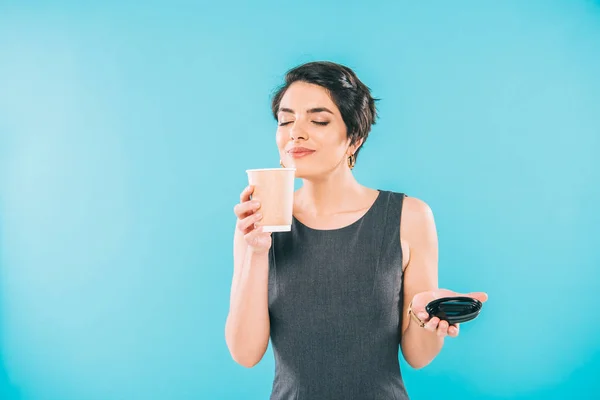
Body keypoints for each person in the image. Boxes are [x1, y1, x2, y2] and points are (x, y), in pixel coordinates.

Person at [225, 61, 488, 399]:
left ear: (354, 139)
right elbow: (245, 354)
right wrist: (256, 252)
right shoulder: (257, 222)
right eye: (286, 120)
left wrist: (424, 316)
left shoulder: (410, 216)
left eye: (318, 120)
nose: (295, 132)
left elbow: (419, 356)